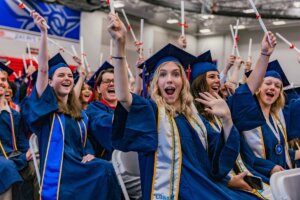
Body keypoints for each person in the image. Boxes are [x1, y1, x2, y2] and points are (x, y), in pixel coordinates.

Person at [107, 13, 259, 199]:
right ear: (156, 83)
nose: (169, 79)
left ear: (183, 82)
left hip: (201, 186)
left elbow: (216, 159)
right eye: (162, 74)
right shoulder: (151, 112)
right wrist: (119, 46)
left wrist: (227, 119)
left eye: (175, 74)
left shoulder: (195, 118)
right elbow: (123, 97)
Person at [21, 11, 121, 200]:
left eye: (69, 75)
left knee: (105, 167)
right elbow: (42, 69)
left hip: (79, 166)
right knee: (105, 169)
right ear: (49, 82)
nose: (67, 78)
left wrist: (90, 154)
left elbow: (85, 143)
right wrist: (43, 33)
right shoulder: (47, 111)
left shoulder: (78, 114)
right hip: (61, 173)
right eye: (61, 75)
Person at [243, 60, 300, 175]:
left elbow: (278, 150)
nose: (273, 87)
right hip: (259, 176)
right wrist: (269, 168)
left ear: (280, 92)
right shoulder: (245, 116)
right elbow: (243, 153)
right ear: (258, 87)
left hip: (281, 177)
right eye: (268, 83)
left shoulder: (278, 118)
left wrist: (294, 154)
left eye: (277, 86)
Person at [0, 63, 37, 200]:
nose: (1, 82)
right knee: (6, 167)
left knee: (39, 163)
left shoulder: (14, 115)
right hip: (4, 162)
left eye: (3, 80)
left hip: (15, 157)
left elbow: (21, 141)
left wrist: (30, 151)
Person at [86, 61, 116, 160]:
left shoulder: (128, 107)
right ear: (98, 89)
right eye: (107, 81)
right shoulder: (94, 108)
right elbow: (103, 125)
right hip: (107, 161)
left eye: (116, 81)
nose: (112, 84)